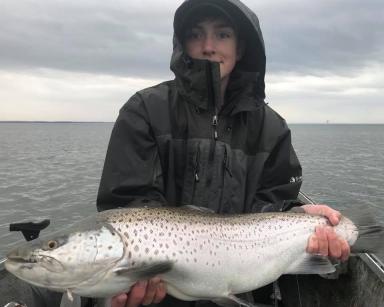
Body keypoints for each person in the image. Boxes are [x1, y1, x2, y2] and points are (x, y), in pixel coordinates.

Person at [96, 0, 350, 306]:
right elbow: (127, 204)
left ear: (241, 47)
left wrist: (298, 218)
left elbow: (273, 202)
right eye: (195, 34)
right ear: (181, 44)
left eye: (223, 34)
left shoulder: (272, 128)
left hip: (243, 287)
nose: (208, 46)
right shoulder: (144, 110)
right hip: (156, 295)